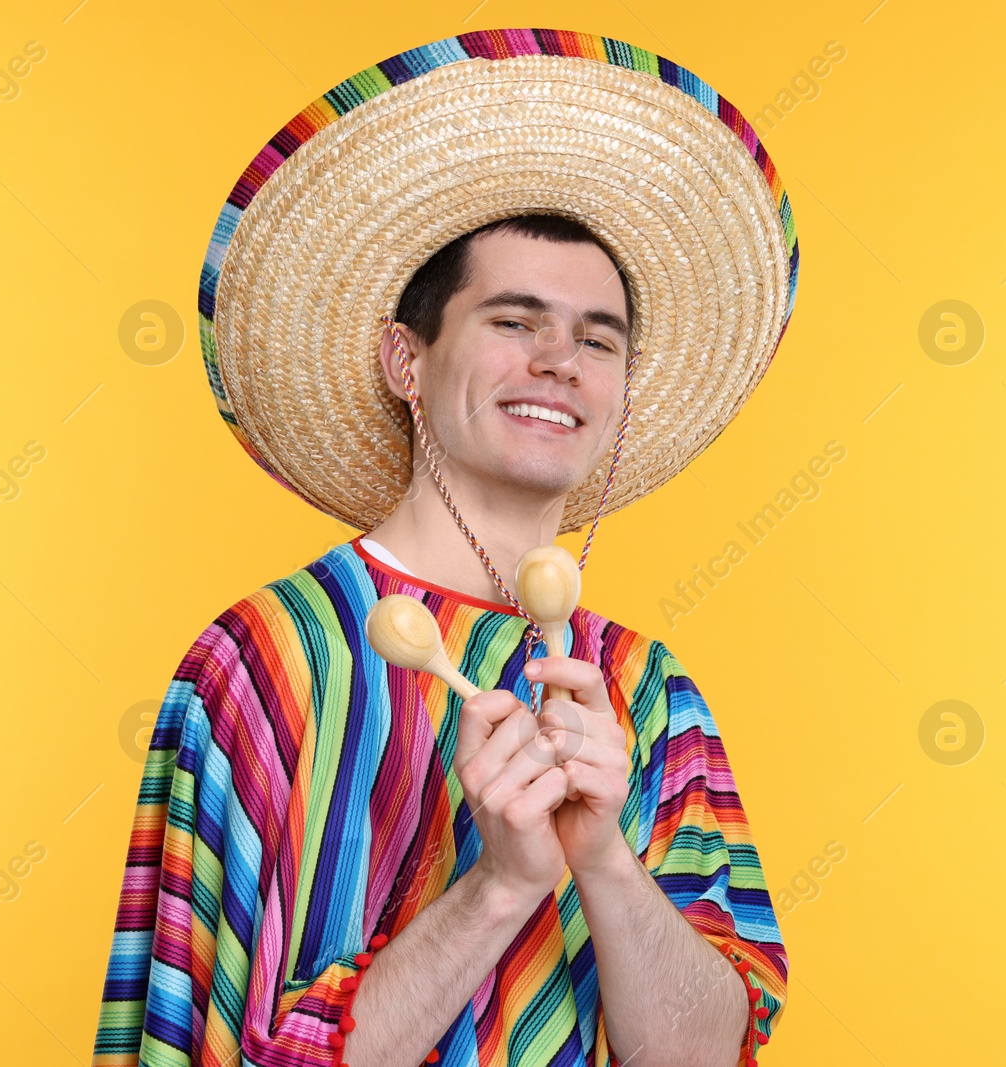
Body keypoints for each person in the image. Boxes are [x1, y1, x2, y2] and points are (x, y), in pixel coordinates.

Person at [89, 28, 800, 1067]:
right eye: (515, 320)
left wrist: (599, 854)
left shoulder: (649, 692)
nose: (560, 361)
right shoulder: (266, 661)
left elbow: (702, 1053)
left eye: (598, 339)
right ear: (405, 361)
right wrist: (501, 880)